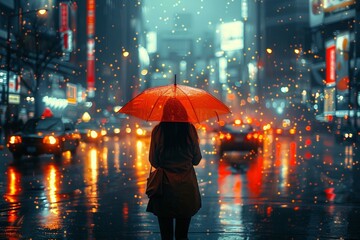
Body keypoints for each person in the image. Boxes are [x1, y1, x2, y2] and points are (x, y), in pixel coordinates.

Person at [146, 98, 202, 240]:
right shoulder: (190, 130)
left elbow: (153, 160)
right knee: (182, 235)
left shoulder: (158, 131)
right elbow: (196, 160)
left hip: (164, 189)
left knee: (166, 236)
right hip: (186, 189)